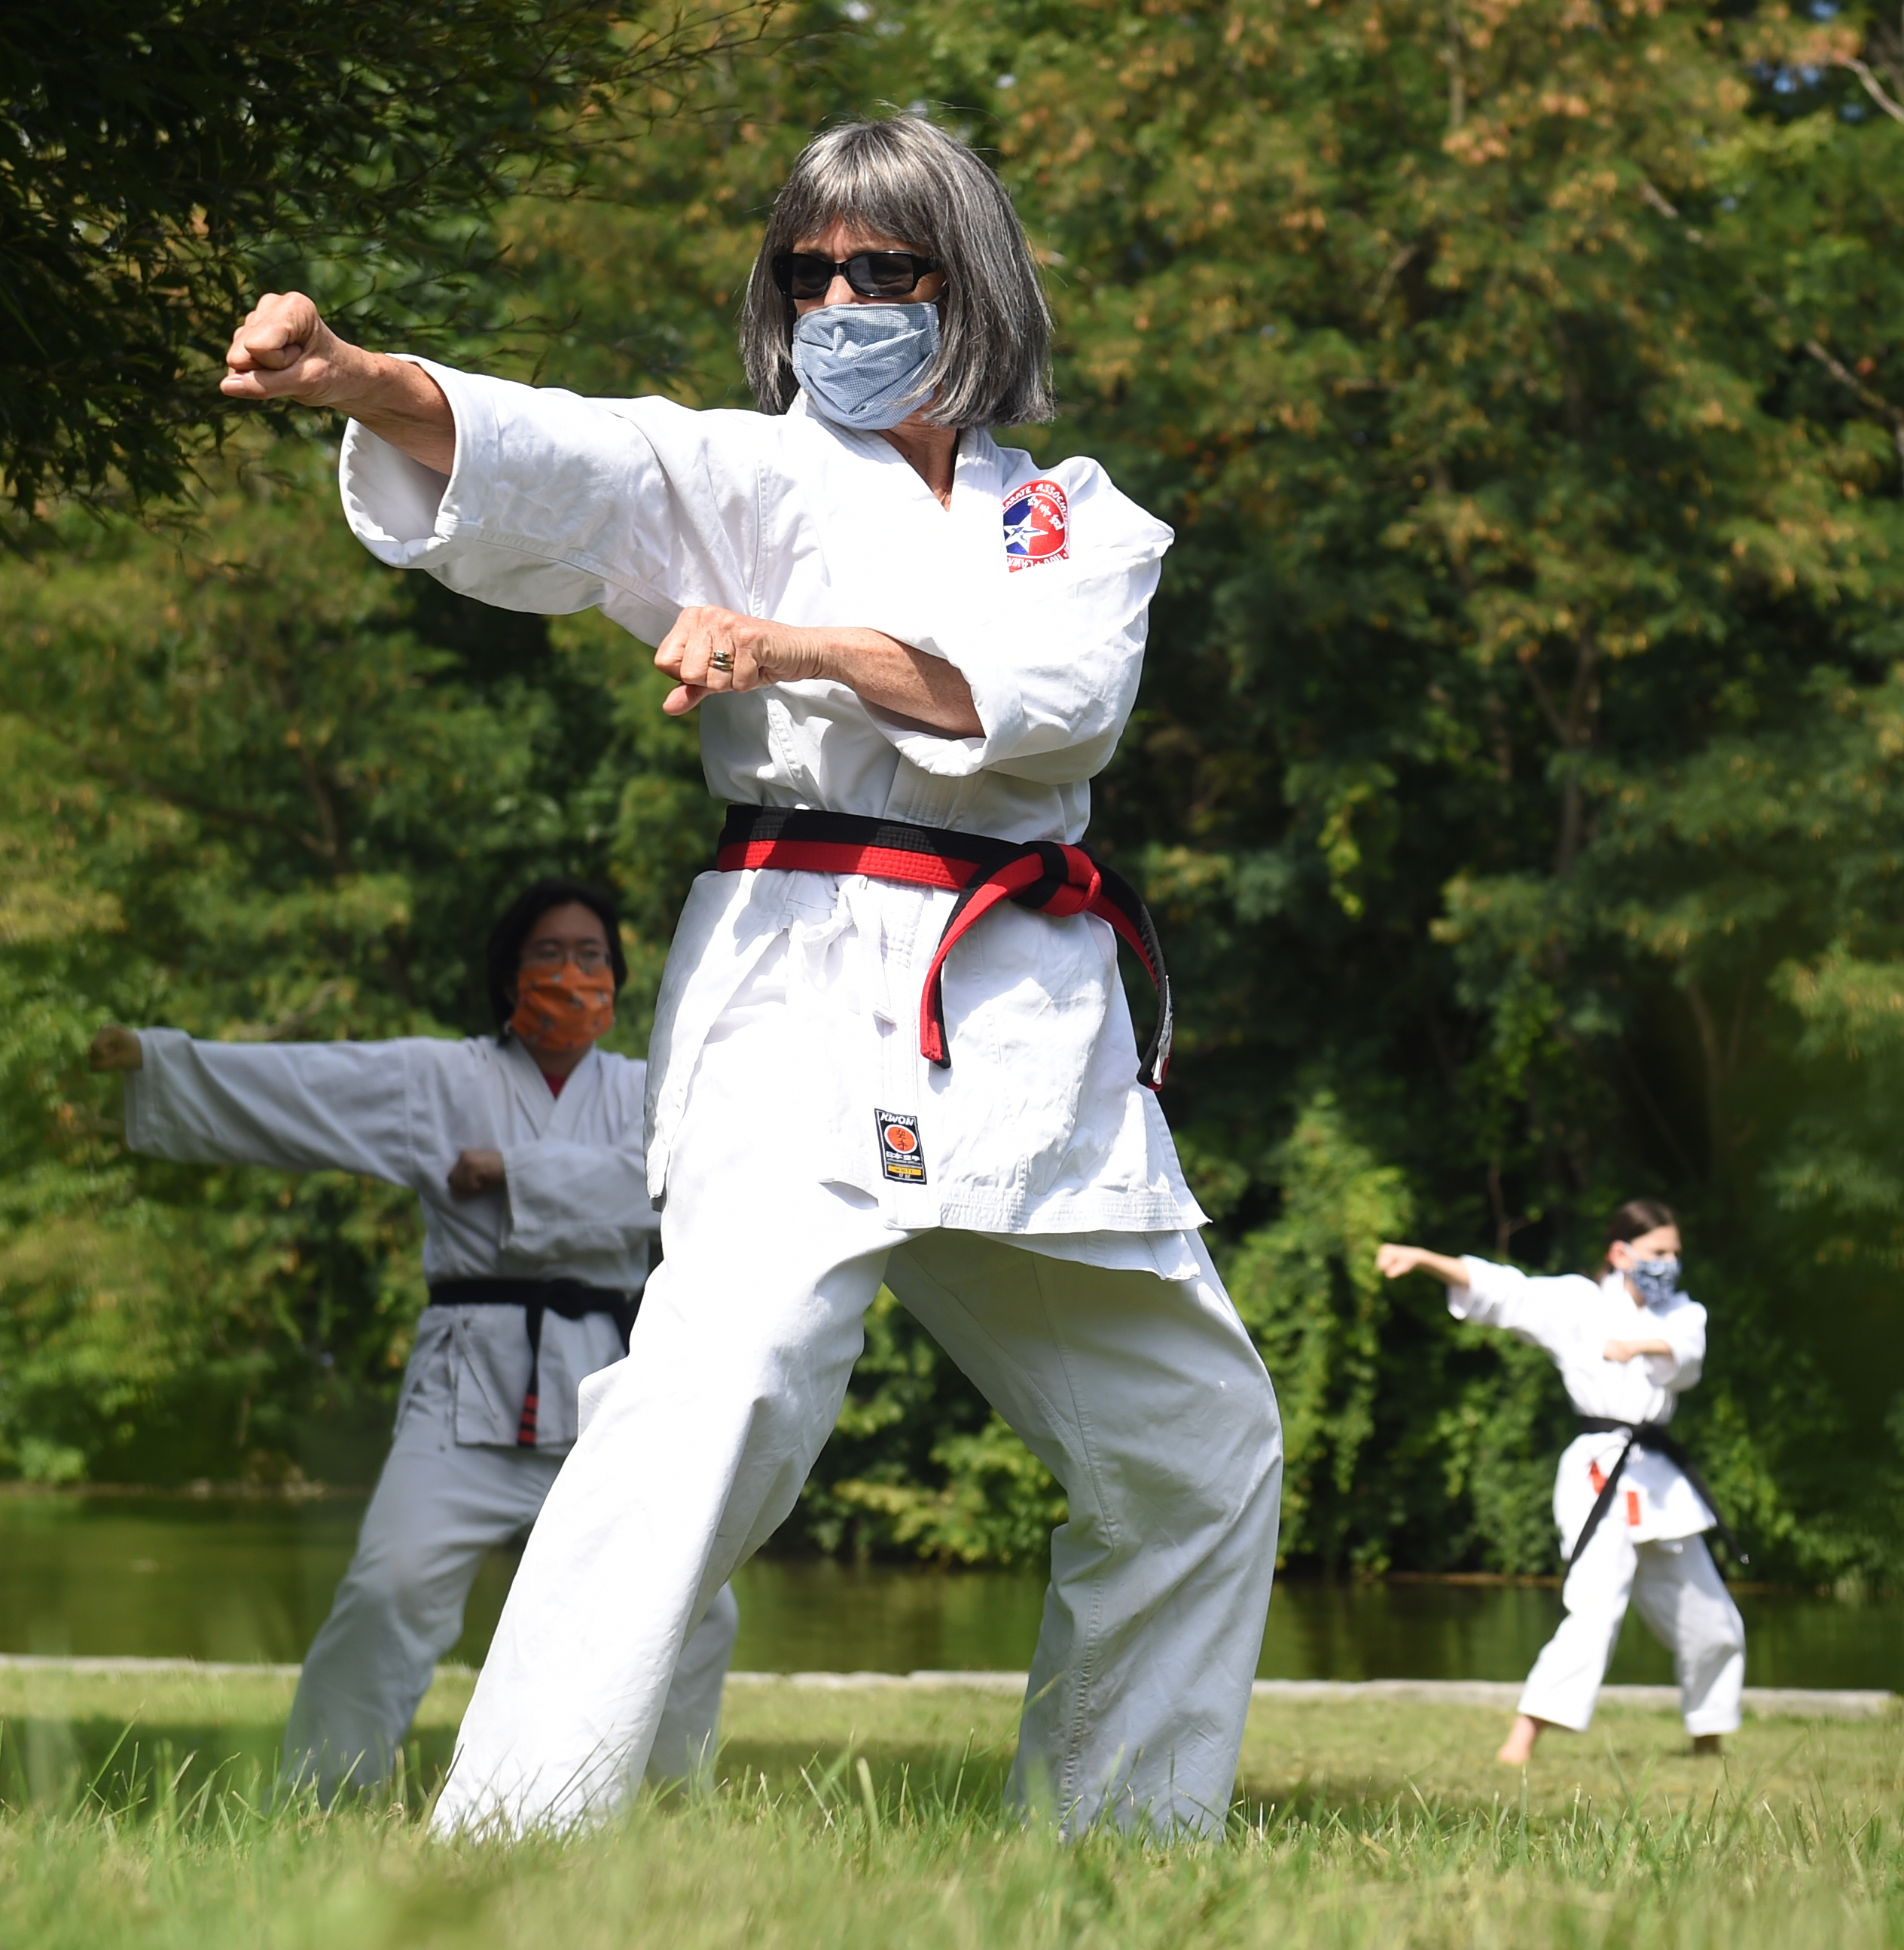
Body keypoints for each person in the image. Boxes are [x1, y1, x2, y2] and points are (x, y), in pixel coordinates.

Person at [215, 114, 1283, 1839]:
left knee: (1197, 1445)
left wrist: (787, 644)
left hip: (1023, 1019)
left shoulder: (1073, 521)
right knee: (715, 1402)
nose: (841, 300)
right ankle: (512, 1835)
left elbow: (1048, 705)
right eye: (811, 272)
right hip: (794, 999)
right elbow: (571, 457)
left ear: (973, 286)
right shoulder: (750, 475)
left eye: (885, 268)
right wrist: (361, 374)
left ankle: (1116, 1850)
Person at [88, 878, 741, 1799]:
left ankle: (670, 1801)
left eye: (591, 956)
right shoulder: (444, 1081)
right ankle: (323, 1796)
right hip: (465, 1383)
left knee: (696, 1607)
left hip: (604, 1383)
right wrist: (160, 1063)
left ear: (620, 979)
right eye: (547, 955)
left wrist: (513, 1173)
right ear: (508, 976)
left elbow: (685, 1179)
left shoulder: (649, 1092)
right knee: (389, 1588)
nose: (571, 973)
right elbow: (306, 1086)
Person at [1376, 1200, 1744, 1765]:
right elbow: (1504, 1290)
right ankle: (1520, 1742)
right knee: (1593, 1607)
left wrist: (1636, 1345)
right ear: (1619, 1253)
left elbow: (1687, 1355)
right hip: (1600, 1471)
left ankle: (1708, 1739)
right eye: (1656, 1252)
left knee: (1712, 1619)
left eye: (1674, 1252)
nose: (1668, 1263)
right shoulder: (1578, 1303)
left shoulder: (1680, 1312)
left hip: (1660, 1482)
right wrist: (1424, 1258)